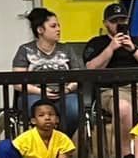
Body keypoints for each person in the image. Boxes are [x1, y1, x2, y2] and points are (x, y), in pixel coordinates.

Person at [83, 3, 138, 158]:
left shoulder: (137, 41)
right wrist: (111, 48)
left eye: (122, 20)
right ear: (105, 23)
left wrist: (133, 49)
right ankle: (125, 157)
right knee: (123, 108)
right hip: (112, 89)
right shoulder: (96, 43)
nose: (118, 23)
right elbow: (90, 68)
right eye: (114, 20)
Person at [12, 8, 84, 136]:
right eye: (53, 26)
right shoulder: (25, 50)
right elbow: (17, 83)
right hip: (35, 93)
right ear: (40, 30)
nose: (58, 29)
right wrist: (42, 92)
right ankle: (42, 146)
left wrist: (67, 90)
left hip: (65, 93)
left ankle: (61, 142)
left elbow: (77, 77)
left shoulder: (67, 49)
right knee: (41, 111)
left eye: (58, 25)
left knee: (74, 109)